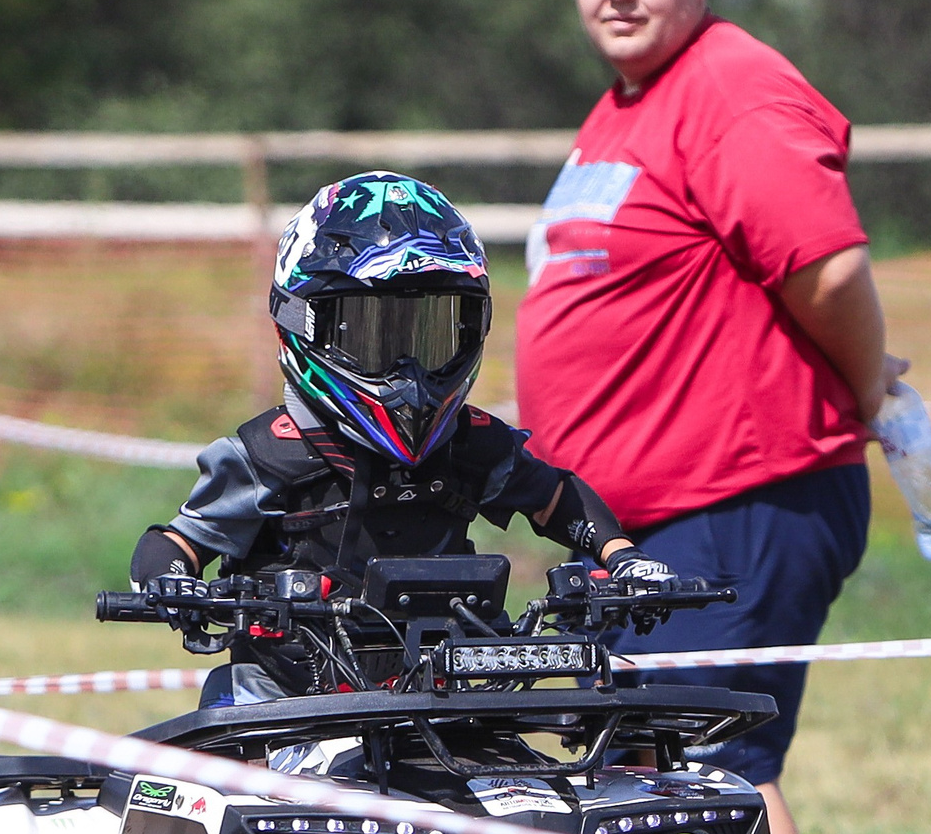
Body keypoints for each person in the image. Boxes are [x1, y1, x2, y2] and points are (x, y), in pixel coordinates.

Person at [515, 0, 910, 834]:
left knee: (715, 773)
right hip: (640, 518)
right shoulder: (631, 103)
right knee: (649, 774)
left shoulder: (730, 87)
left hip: (737, 498)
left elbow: (827, 268)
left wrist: (863, 396)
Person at [134, 171, 665, 705]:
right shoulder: (269, 454)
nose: (408, 370)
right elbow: (180, 541)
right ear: (300, 322)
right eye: (373, 334)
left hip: (447, 704)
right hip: (284, 712)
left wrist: (624, 559)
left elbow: (554, 497)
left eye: (430, 333)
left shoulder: (472, 443)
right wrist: (174, 583)